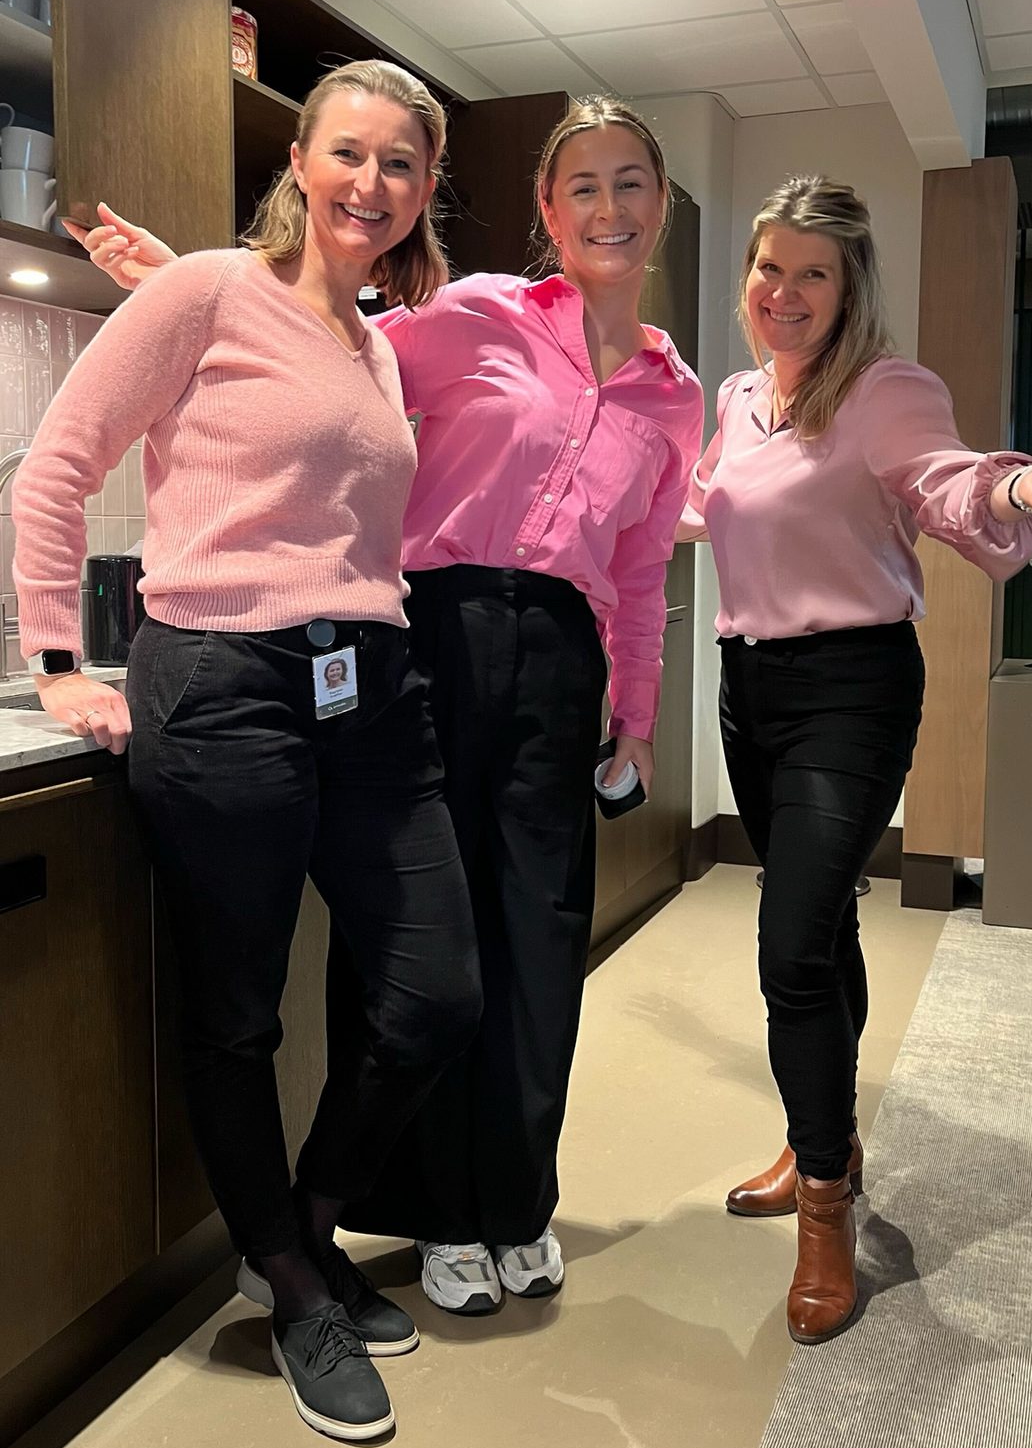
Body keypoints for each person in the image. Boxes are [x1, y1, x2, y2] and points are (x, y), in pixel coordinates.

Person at [73, 95, 705, 1317]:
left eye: (631, 184)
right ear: (546, 211)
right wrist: (176, 288)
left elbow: (637, 572)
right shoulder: (471, 316)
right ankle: (432, 1215)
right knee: (420, 941)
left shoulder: (675, 394)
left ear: (660, 207)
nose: (609, 208)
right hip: (430, 635)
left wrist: (634, 710)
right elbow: (317, 348)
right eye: (582, 185)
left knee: (538, 941)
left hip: (561, 659)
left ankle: (514, 1199)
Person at [13, 60, 483, 1441]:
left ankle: (305, 1230)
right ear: (298, 157)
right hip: (222, 678)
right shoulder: (205, 288)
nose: (371, 184)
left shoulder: (377, 338)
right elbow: (57, 462)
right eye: (350, 152)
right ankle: (291, 1284)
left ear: (423, 189)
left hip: (369, 684)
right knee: (239, 1011)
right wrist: (54, 661)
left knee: (433, 993)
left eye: (402, 165)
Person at [680, 174, 1032, 1345]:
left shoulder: (888, 390)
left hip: (852, 689)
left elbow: (949, 486)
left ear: (849, 288)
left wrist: (1018, 482)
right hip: (750, 689)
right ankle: (824, 1139)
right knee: (822, 928)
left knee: (790, 944)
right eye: (768, 268)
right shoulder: (743, 396)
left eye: (811, 272)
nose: (782, 291)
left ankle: (824, 1207)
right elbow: (706, 506)